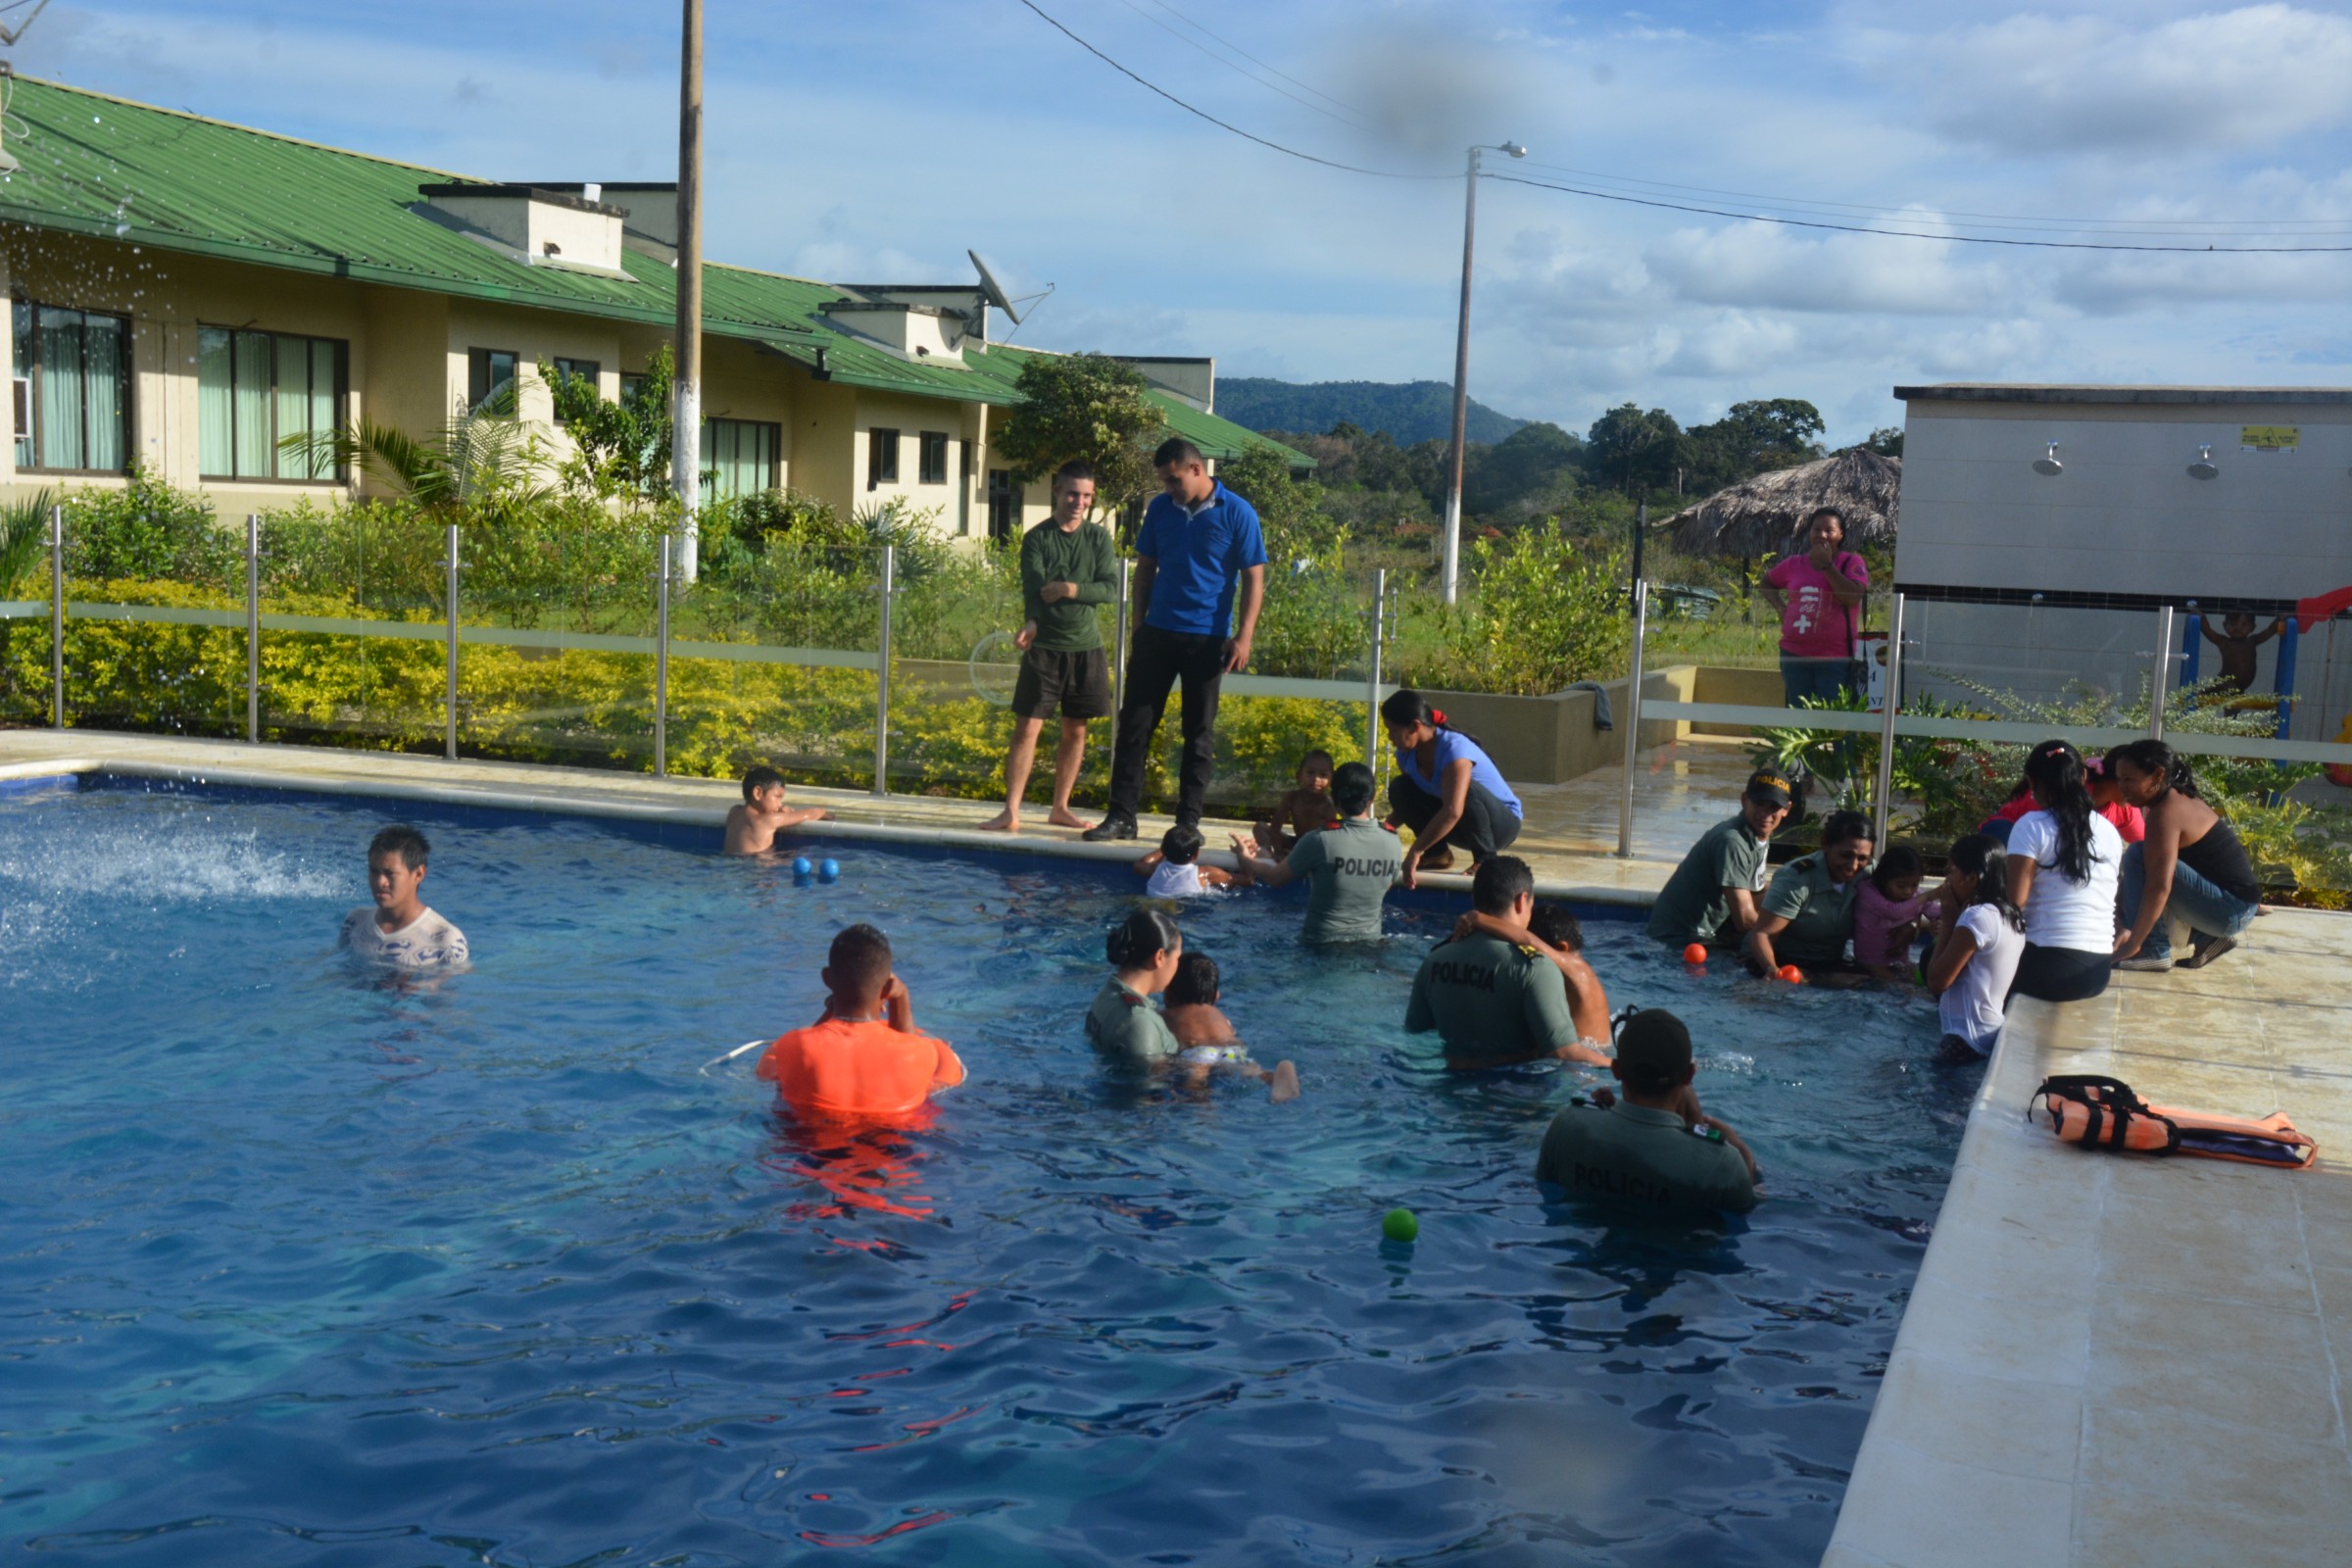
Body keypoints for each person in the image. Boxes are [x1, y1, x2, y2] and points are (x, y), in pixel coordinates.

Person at [1084, 439, 1268, 841]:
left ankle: (1187, 824)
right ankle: (1121, 817)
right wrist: (1138, 629)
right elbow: (1145, 570)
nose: (1168, 489)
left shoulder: (1237, 512)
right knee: (1134, 726)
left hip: (1207, 639)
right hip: (1157, 633)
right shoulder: (1161, 511)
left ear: (1196, 470)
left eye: (1173, 480)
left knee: (1197, 734)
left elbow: (1255, 577)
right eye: (1164, 482)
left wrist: (1244, 637)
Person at [979, 461, 1119, 834]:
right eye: (1073, 493)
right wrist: (1031, 622)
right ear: (1057, 491)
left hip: (1087, 648)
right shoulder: (1038, 538)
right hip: (1045, 650)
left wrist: (1072, 589)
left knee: (1076, 729)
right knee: (1027, 727)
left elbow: (1110, 588)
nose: (1079, 501)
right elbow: (1035, 589)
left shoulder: (1098, 539)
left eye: (1087, 496)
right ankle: (1011, 810)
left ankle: (1061, 807)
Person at [1534, 1009, 1759, 1213]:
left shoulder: (1568, 1127)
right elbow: (1743, 1213)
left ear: (1616, 1069)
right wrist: (1744, 1156)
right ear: (1689, 1075)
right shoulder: (1722, 1163)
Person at [1403, 857, 1612, 1070]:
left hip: (1448, 1089)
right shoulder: (1535, 968)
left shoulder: (1434, 960)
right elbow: (1562, 1052)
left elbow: (1415, 1029)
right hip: (1520, 1091)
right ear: (1522, 901)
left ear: (1474, 898)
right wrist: (1619, 1067)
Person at [757, 924, 964, 1117]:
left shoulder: (790, 1046)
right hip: (898, 1150)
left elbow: (773, 1070)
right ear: (886, 989)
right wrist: (901, 998)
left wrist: (831, 1010)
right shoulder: (921, 1052)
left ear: (827, 979)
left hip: (807, 1151)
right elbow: (910, 1045)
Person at [2109, 739, 2263, 972]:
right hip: (2238, 907)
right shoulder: (2177, 797)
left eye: (2129, 780)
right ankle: (2206, 938)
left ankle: (2153, 951)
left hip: (2231, 910)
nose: (2122, 788)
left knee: (2137, 856)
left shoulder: (2165, 813)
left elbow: (2159, 886)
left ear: (2158, 775)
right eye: (2119, 780)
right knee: (2145, 857)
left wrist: (2133, 943)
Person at [1231, 760, 1401, 944]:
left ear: (1334, 797)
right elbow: (1386, 885)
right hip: (1370, 945)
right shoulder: (1392, 840)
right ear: (1372, 797)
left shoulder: (1321, 839)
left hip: (1320, 945)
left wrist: (1245, 857)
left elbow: (1275, 878)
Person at [2007, 739, 2124, 1003]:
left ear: (2031, 781)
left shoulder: (2031, 826)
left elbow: (2015, 904)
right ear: (2083, 776)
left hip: (2048, 969)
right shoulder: (2109, 831)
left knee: (1935, 961)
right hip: (2097, 973)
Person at [1380, 689, 1523, 885]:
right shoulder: (1405, 755)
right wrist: (1379, 830)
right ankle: (1437, 855)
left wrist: (1415, 850)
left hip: (1501, 825)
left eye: (1393, 730)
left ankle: (1486, 859)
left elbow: (1453, 811)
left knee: (1467, 791)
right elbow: (1408, 804)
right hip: (1464, 827)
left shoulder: (1455, 750)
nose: (1390, 737)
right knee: (1400, 787)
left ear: (1415, 726)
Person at [1645, 770, 1794, 950]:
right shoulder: (1732, 841)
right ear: (1744, 800)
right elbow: (1745, 920)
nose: (1765, 813)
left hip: (1699, 936)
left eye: (1773, 807)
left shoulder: (1758, 834)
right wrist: (1790, 939)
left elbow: (1758, 890)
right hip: (1677, 940)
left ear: (1786, 809)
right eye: (1759, 803)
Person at [1925, 833, 2027, 1063]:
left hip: (1965, 1039)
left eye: (1951, 872)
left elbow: (1937, 982)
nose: (1946, 882)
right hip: (1987, 1032)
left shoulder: (1977, 917)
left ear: (1971, 878)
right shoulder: (2011, 916)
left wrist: (1948, 919)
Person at [1743, 810, 1875, 982]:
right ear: (1825, 844)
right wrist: (1773, 971)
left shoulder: (1871, 875)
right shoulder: (1795, 880)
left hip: (1830, 963)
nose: (1853, 866)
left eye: (1863, 858)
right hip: (1779, 961)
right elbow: (1763, 935)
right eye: (1846, 855)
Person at [1760, 507, 1868, 708]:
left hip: (1836, 657)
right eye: (1817, 530)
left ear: (1841, 534)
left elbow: (1852, 597)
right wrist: (1780, 608)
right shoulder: (1794, 563)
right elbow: (1766, 583)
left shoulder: (1851, 563)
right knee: (1799, 717)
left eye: (1829, 530)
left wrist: (1827, 566)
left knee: (1836, 720)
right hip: (1794, 654)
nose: (1822, 535)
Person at [1161, 952, 1301, 1102]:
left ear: (1168, 993)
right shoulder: (1220, 1017)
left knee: (1195, 1086)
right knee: (1249, 1070)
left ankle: (1206, 1114)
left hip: (1197, 1053)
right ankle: (1271, 1078)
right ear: (1216, 997)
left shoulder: (1167, 1015)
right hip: (1231, 1050)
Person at [341, 824, 469, 968]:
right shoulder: (355, 922)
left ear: (419, 874)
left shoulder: (446, 941)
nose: (380, 882)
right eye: (374, 871)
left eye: (390, 874)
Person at [1087, 907, 1186, 1066]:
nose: (1178, 966)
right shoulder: (1139, 1022)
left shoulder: (1108, 993)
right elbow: (1150, 1086)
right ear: (1159, 957)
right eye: (1177, 958)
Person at [1978, 758, 2142, 848]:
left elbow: (2143, 845)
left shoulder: (2124, 806)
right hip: (2007, 830)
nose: (2135, 789)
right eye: (2126, 779)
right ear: (2114, 778)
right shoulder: (2066, 791)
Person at [1853, 844, 1935, 982]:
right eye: (1901, 885)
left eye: (1914, 885)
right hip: (1869, 964)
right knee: (1902, 989)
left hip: (1900, 963)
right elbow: (1892, 912)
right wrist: (1928, 896)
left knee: (1929, 981)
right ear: (1885, 880)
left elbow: (1938, 912)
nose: (1908, 891)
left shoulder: (1915, 896)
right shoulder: (1868, 890)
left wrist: (1942, 922)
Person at [724, 764, 832, 855]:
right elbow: (811, 814)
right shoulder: (769, 820)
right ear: (758, 793)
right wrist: (828, 815)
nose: (780, 804)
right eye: (777, 797)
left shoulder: (734, 812)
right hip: (757, 869)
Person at [1250, 749, 1337, 860]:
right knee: (1260, 827)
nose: (1316, 779)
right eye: (1310, 773)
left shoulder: (1328, 806)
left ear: (1331, 780)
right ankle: (1267, 854)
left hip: (1314, 847)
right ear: (1299, 775)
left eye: (1323, 775)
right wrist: (1278, 851)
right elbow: (1275, 827)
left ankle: (1295, 856)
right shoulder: (1292, 797)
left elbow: (1332, 839)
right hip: (1296, 842)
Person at [1133, 823, 1247, 897]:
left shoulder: (1155, 869)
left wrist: (1168, 848)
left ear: (1164, 850)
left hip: (1153, 903)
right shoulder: (1206, 873)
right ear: (1196, 854)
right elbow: (1248, 880)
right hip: (1185, 908)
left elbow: (1140, 864)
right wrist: (1243, 853)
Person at [2201, 611, 2283, 695]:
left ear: (2252, 628)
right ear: (2225, 626)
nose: (2238, 628)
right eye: (2233, 624)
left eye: (2244, 625)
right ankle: (2205, 693)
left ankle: (2206, 693)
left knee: (2235, 705)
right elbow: (2208, 631)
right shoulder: (2223, 642)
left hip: (2240, 686)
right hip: (2224, 681)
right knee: (2230, 689)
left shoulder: (2252, 641)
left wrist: (2279, 618)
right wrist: (2201, 617)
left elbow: (2269, 631)